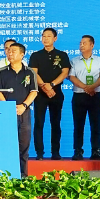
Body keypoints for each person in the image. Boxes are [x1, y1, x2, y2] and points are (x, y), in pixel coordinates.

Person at [0, 43, 38, 176]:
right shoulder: (1, 72)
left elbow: (34, 91)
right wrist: (8, 107)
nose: (10, 53)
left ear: (22, 54)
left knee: (24, 144)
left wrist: (23, 106)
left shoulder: (29, 72)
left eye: (13, 51)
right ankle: (6, 175)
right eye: (8, 51)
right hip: (7, 113)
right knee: (6, 144)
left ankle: (23, 175)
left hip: (24, 112)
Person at [29, 28, 71, 160]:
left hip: (56, 92)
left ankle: (55, 152)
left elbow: (65, 72)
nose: (45, 38)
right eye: (43, 36)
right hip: (40, 94)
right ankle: (39, 153)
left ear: (55, 38)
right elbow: (34, 73)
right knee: (39, 123)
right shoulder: (35, 55)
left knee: (56, 123)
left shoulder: (62, 55)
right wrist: (44, 86)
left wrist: (51, 85)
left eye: (48, 36)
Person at [68, 35, 100, 160]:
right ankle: (78, 151)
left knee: (95, 124)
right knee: (78, 125)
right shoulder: (74, 61)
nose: (81, 45)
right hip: (79, 95)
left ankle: (96, 150)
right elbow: (71, 77)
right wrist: (86, 87)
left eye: (84, 43)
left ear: (92, 45)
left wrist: (92, 87)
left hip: (95, 96)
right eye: (80, 43)